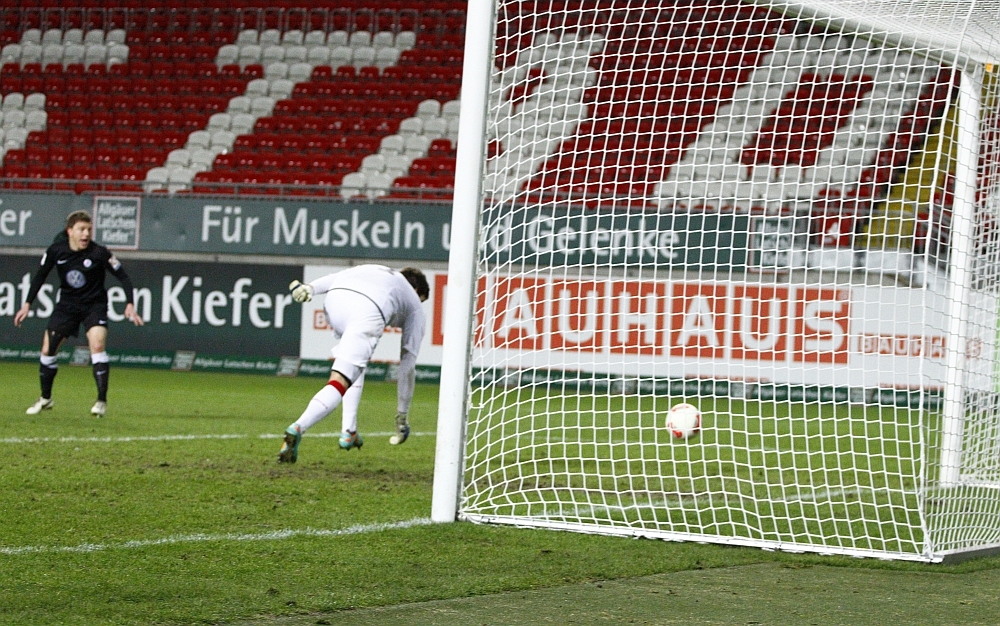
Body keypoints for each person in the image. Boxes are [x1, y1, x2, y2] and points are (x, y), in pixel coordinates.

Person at [278, 264, 429, 463]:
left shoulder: (376, 269)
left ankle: (349, 431)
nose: (419, 304)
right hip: (367, 311)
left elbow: (335, 277)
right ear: (416, 290)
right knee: (339, 381)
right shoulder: (415, 306)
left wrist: (310, 288)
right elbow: (407, 365)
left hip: (335, 303)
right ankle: (298, 427)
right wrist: (402, 416)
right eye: (421, 300)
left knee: (355, 365)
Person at [14, 210, 144, 416]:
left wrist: (130, 303)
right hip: (67, 306)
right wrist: (27, 304)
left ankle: (101, 401)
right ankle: (45, 399)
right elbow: (40, 276)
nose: (86, 234)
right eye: (81, 229)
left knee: (97, 346)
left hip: (94, 306)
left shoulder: (99, 253)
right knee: (48, 351)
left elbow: (124, 277)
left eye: (89, 230)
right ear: (70, 231)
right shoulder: (56, 251)